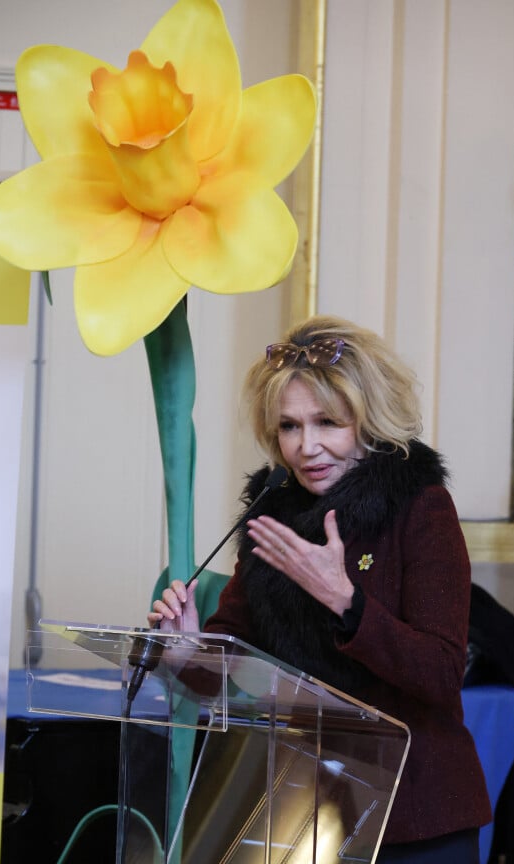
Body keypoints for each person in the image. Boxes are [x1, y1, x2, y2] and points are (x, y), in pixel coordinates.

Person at [148, 314, 492, 863]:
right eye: (289, 426)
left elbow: (441, 671)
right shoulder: (273, 513)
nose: (306, 447)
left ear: (368, 420)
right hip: (300, 814)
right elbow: (231, 670)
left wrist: (346, 603)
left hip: (415, 820)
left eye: (327, 422)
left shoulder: (421, 506)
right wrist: (189, 650)